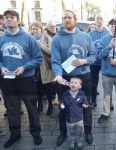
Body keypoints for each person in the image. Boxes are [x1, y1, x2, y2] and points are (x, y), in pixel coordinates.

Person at [51, 10, 95, 146]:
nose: (66, 20)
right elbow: (55, 61)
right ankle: (63, 132)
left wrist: (84, 61)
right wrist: (57, 74)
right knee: (63, 106)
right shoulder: (57, 39)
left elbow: (94, 56)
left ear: (75, 19)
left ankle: (87, 131)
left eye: (69, 17)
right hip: (65, 78)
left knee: (86, 105)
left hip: (84, 77)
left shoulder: (86, 36)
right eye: (64, 18)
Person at [0, 10, 43, 148]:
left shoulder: (28, 38)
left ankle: (36, 132)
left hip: (26, 80)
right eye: (6, 18)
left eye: (11, 17)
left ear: (18, 20)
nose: (8, 20)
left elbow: (38, 59)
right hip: (7, 80)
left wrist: (24, 67)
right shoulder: (1, 39)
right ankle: (15, 134)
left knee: (31, 107)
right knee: (12, 108)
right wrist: (1, 67)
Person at [30, 22, 54, 116]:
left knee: (48, 88)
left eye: (36, 29)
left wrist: (40, 45)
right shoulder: (30, 39)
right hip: (34, 68)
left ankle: (50, 105)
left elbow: (51, 52)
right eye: (33, 29)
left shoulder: (48, 39)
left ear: (41, 29)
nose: (34, 31)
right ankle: (39, 104)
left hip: (45, 68)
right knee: (37, 88)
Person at [60, 77, 90, 150]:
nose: (73, 84)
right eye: (71, 82)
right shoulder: (66, 94)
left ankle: (79, 141)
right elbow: (62, 101)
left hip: (79, 118)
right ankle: (71, 142)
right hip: (69, 118)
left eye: (76, 83)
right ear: (69, 84)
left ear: (80, 86)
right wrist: (61, 104)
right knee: (70, 132)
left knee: (79, 131)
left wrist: (85, 105)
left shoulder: (81, 94)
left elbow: (85, 102)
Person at [89, 14, 109, 108]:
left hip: (105, 61)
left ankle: (108, 103)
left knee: (107, 84)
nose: (99, 20)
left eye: (101, 18)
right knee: (93, 83)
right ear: (95, 20)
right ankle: (93, 101)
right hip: (94, 62)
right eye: (98, 18)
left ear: (103, 20)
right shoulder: (91, 34)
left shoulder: (108, 32)